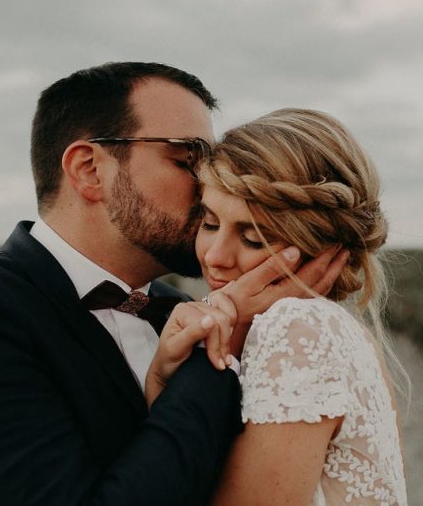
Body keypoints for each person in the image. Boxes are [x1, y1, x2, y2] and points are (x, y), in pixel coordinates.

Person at [0, 63, 347, 505]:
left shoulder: (181, 311)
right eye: (187, 160)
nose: (211, 184)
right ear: (90, 169)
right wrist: (217, 351)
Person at [149, 108, 409, 505]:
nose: (215, 256)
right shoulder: (323, 329)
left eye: (253, 238)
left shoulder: (300, 328)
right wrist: (165, 378)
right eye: (211, 223)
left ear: (314, 246)